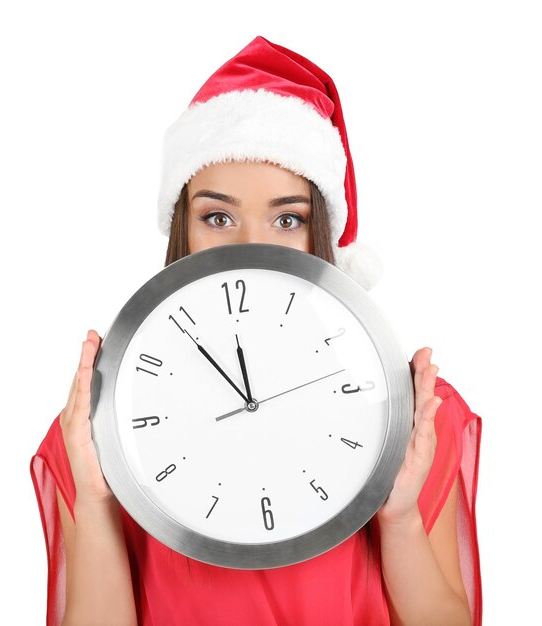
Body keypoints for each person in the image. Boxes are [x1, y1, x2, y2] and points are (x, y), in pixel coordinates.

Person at [31, 36, 482, 625]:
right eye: (218, 216)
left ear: (320, 234)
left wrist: (396, 517)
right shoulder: (104, 431)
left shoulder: (416, 418)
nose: (250, 248)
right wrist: (94, 503)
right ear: (181, 232)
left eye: (287, 218)